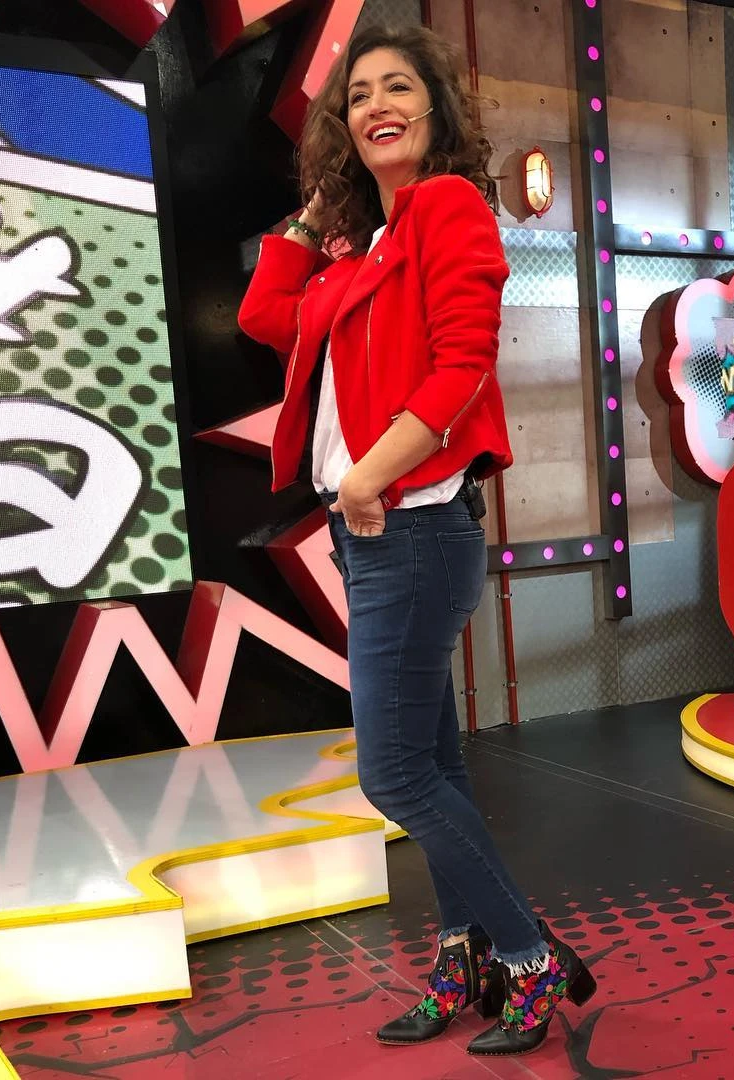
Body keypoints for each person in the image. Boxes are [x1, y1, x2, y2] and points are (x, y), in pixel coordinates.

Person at [237, 22, 595, 1057]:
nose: (376, 106)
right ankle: (462, 958)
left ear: (436, 108)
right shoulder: (361, 247)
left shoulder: (447, 207)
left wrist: (366, 475)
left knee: (393, 775)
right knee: (433, 765)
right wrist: (317, 212)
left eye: (398, 87)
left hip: (411, 527)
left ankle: (528, 958)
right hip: (369, 535)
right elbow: (267, 317)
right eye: (357, 96)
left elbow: (462, 364)